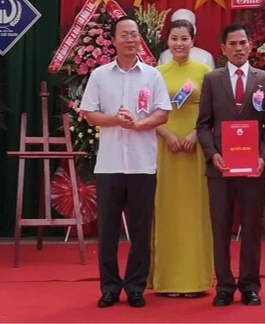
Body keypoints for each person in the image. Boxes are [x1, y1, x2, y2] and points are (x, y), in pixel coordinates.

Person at [79, 15, 172, 309]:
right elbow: (89, 114)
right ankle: (109, 287)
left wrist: (139, 125)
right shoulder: (100, 75)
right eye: (124, 34)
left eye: (134, 34)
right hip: (109, 165)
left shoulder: (152, 76)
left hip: (142, 164)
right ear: (113, 40)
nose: (130, 39)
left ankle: (135, 287)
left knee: (141, 230)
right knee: (107, 231)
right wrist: (116, 121)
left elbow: (163, 113)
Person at [197, 23, 265, 307]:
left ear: (250, 45)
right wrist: (212, 154)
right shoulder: (212, 79)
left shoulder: (264, 79)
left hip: (253, 168)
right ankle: (224, 286)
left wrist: (263, 157)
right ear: (223, 49)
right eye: (232, 44)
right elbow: (203, 124)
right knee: (220, 228)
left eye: (243, 42)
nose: (238, 48)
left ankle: (249, 286)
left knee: (252, 229)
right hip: (220, 169)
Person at [148, 19, 213, 297]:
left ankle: (196, 279)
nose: (179, 44)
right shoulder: (155, 73)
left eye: (184, 38)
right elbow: (146, 112)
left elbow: (213, 111)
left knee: (195, 211)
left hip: (195, 147)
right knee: (166, 208)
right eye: (174, 38)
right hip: (166, 147)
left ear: (193, 41)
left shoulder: (205, 73)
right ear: (168, 41)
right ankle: (167, 279)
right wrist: (166, 134)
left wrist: (195, 134)